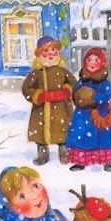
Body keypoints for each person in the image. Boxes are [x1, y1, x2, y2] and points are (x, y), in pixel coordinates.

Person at [21, 36, 76, 165]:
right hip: (42, 109)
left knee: (63, 132)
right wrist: (37, 95)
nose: (50, 54)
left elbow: (74, 84)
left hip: (62, 109)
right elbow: (26, 88)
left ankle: (64, 154)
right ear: (39, 55)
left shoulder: (63, 72)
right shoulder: (37, 73)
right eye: (46, 51)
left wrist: (67, 90)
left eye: (53, 50)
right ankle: (42, 155)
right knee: (41, 135)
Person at [66, 47, 111, 172]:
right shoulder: (82, 81)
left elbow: (108, 93)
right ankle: (81, 161)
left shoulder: (103, 82)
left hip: (100, 113)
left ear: (101, 63)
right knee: (81, 138)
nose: (92, 63)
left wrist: (96, 97)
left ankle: (106, 161)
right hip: (83, 115)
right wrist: (79, 98)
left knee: (104, 139)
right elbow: (75, 93)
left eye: (96, 60)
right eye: (89, 60)